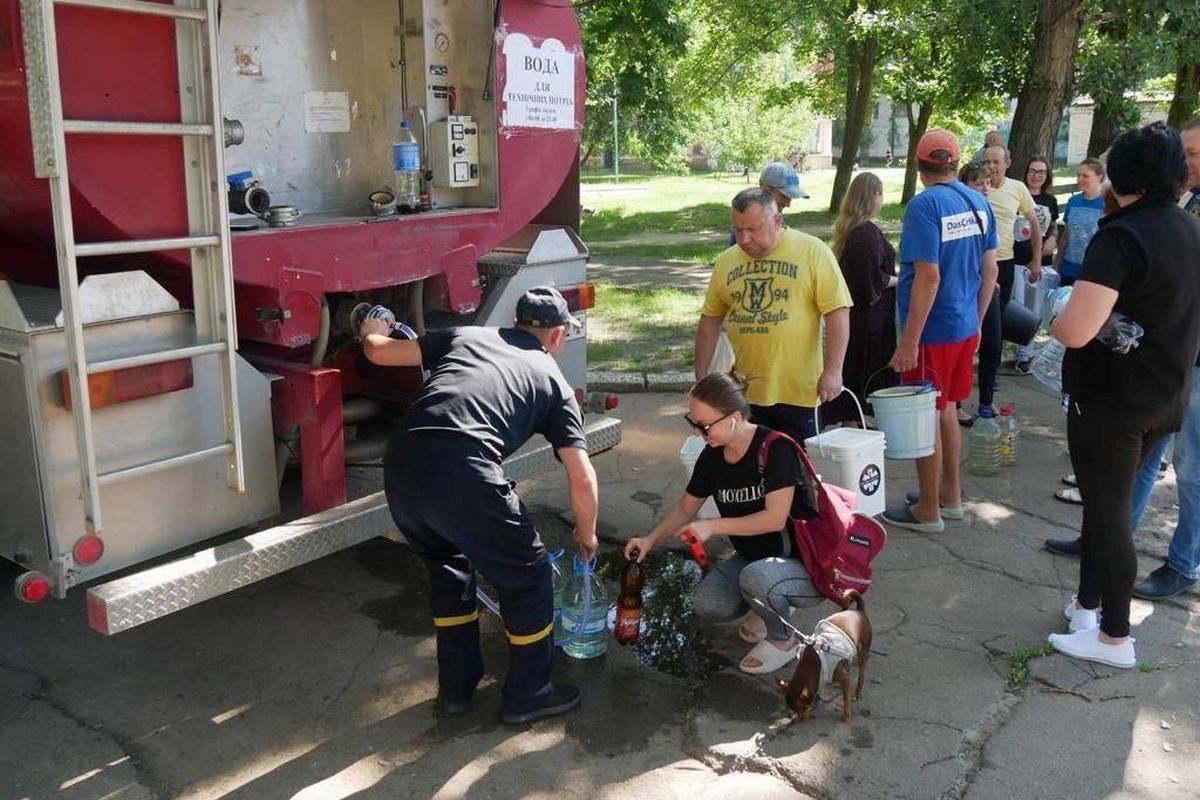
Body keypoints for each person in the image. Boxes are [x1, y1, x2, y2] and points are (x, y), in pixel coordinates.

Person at [359, 286, 600, 725]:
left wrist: (371, 327)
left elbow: (378, 352)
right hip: (464, 472)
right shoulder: (554, 383)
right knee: (528, 576)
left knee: (449, 569)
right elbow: (581, 476)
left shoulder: (465, 336)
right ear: (559, 335)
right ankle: (530, 692)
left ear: (515, 322)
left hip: (402, 466)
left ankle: (457, 688)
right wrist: (587, 534)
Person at [1047, 122, 1200, 669]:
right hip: (1165, 394)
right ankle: (1087, 606)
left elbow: (1075, 330)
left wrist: (1056, 313)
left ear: (1122, 174)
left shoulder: (1121, 236)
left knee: (1109, 515)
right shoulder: (1188, 227)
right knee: (1104, 505)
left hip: (1113, 401)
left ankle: (1114, 635)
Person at [623, 372, 824, 674]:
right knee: (708, 603)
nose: (698, 433)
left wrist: (713, 526)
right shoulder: (712, 457)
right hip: (752, 559)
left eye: (704, 426)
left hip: (801, 562)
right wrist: (649, 540)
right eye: (693, 423)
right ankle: (768, 605)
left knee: (757, 577)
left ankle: (784, 637)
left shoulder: (776, 449)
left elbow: (774, 519)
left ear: (734, 418)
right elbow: (685, 509)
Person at [881, 129, 999, 534]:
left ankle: (928, 509)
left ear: (919, 165)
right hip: (964, 325)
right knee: (946, 408)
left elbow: (928, 277)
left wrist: (908, 342)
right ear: (956, 162)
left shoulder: (924, 205)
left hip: (933, 331)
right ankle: (951, 496)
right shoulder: (978, 201)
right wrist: (978, 323)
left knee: (925, 415)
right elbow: (990, 269)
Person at [697, 187, 853, 443]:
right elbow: (710, 320)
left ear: (777, 220)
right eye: (738, 229)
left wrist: (833, 370)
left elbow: (837, 311)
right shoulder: (727, 261)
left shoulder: (812, 251)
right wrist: (702, 378)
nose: (744, 239)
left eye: (753, 229)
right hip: (742, 393)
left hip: (799, 393)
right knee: (747, 464)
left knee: (796, 463)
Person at [823, 171, 897, 426]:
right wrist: (901, 279)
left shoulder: (852, 229)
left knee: (854, 368)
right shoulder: (866, 233)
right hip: (869, 316)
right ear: (874, 195)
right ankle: (852, 418)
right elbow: (871, 280)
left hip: (858, 314)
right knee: (863, 371)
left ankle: (852, 420)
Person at [976, 145, 1042, 416]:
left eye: (996, 162)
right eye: (987, 162)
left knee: (995, 325)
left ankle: (988, 384)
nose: (991, 167)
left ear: (1008, 163)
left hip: (1004, 263)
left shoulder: (1017, 188)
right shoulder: (977, 187)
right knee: (980, 324)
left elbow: (1035, 223)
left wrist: (1036, 258)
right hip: (977, 265)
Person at [1013, 156, 1060, 374]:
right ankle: (1018, 352)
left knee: (1035, 309)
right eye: (1032, 171)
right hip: (1017, 258)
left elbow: (1053, 225)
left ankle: (1027, 353)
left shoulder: (1050, 200)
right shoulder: (1018, 194)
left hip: (1041, 261)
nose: (1036, 175)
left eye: (1041, 172)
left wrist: (1053, 238)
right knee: (1018, 307)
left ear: (1047, 175)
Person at [727, 162, 810, 245]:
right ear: (766, 188)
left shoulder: (773, 217)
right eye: (784, 195)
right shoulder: (746, 222)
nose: (788, 204)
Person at [1053, 158, 1106, 287]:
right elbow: (1066, 234)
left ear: (1100, 177)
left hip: (1092, 272)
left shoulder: (1106, 205)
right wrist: (1057, 262)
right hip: (1068, 268)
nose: (1080, 179)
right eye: (1078, 175)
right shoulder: (1073, 201)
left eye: (1085, 176)